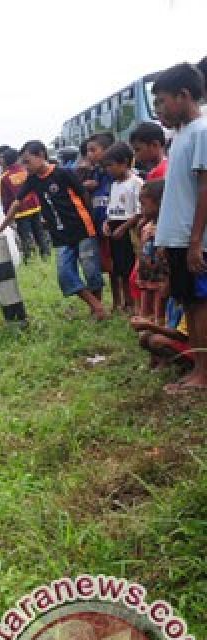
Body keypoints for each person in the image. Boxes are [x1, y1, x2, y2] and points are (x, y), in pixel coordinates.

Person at [0, 140, 106, 320]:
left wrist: (92, 223)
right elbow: (16, 203)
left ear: (41, 156)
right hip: (60, 236)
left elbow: (84, 195)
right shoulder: (32, 180)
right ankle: (95, 305)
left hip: (82, 228)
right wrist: (2, 226)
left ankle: (97, 310)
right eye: (23, 163)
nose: (25, 167)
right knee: (65, 274)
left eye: (28, 162)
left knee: (91, 271)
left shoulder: (63, 173)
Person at [152, 62, 207, 394]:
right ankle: (199, 368)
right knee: (189, 302)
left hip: (194, 240)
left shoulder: (201, 131)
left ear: (183, 95)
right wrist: (165, 238)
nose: (158, 110)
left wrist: (195, 241)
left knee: (201, 304)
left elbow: (204, 189)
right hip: (179, 238)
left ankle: (204, 373)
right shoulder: (181, 135)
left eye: (161, 101)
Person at [102, 142, 143, 315]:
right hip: (115, 227)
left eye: (110, 165)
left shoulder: (136, 183)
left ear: (124, 163)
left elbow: (140, 212)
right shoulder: (114, 185)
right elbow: (112, 208)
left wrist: (124, 228)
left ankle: (135, 304)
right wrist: (107, 223)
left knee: (131, 268)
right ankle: (126, 302)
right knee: (119, 269)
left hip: (129, 229)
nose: (108, 170)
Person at [0, 145, 50, 262]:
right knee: (39, 233)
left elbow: (5, 199)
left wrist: (7, 215)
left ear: (5, 161)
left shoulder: (4, 177)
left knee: (25, 236)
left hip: (20, 212)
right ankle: (46, 255)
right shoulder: (26, 171)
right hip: (35, 207)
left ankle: (30, 258)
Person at [84, 132, 117, 281]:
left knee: (117, 263)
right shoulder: (95, 172)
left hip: (113, 224)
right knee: (107, 264)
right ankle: (117, 300)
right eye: (87, 151)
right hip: (98, 223)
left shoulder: (114, 173)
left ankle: (125, 300)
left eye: (93, 150)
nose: (89, 155)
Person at [135, 180, 166, 323]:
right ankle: (144, 319)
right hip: (146, 271)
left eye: (144, 205)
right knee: (146, 293)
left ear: (160, 203)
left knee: (159, 297)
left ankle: (158, 323)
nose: (141, 209)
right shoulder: (147, 226)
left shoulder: (164, 227)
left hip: (160, 274)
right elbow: (141, 248)